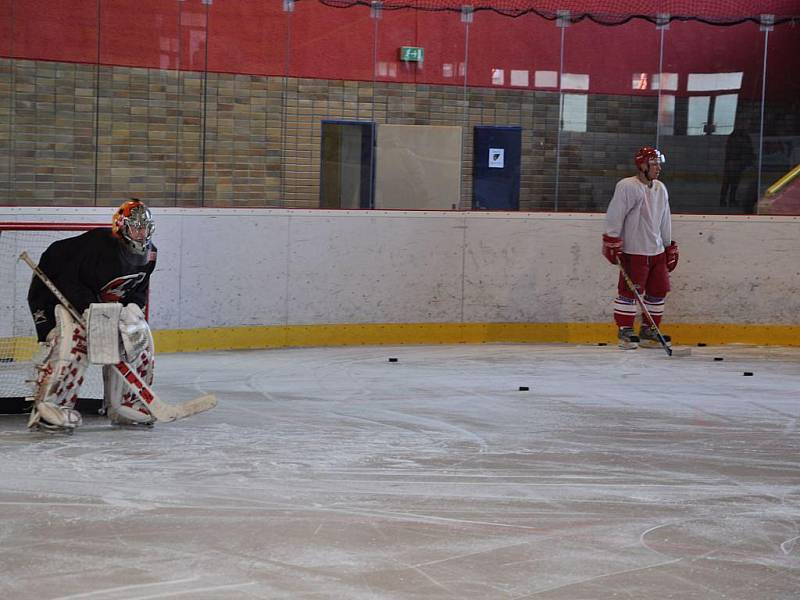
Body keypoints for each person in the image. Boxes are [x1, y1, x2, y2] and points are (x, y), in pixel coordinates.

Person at [26, 199, 158, 432]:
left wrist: (131, 310)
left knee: (137, 333)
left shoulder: (151, 255)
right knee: (74, 340)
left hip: (101, 305)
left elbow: (139, 289)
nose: (141, 233)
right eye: (135, 227)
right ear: (122, 227)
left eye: (144, 227)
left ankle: (128, 404)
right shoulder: (98, 246)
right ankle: (51, 407)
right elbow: (67, 279)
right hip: (53, 293)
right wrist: (90, 309)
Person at [602, 147, 679, 349]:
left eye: (658, 163)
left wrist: (668, 244)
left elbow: (665, 218)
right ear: (642, 165)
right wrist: (611, 239)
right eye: (653, 163)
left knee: (658, 290)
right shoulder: (627, 186)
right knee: (629, 292)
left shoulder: (661, 188)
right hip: (633, 251)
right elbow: (615, 214)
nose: (658, 168)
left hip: (656, 252)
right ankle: (625, 331)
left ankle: (648, 331)